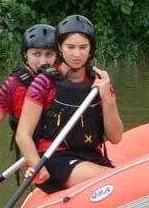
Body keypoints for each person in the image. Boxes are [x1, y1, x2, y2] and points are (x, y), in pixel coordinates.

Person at [15, 14, 124, 194]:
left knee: (121, 179)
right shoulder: (44, 82)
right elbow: (22, 134)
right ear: (59, 47)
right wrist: (37, 166)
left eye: (83, 47)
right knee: (116, 180)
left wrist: (107, 97)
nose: (77, 54)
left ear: (91, 49)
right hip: (54, 160)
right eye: (70, 47)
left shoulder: (99, 83)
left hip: (92, 157)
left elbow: (116, 137)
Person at [0, 23, 57, 194]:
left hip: (62, 149)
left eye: (49, 54)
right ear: (25, 55)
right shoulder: (13, 86)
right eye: (36, 54)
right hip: (34, 154)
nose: (43, 61)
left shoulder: (63, 78)